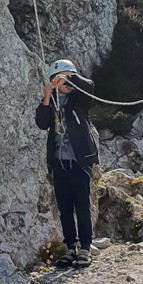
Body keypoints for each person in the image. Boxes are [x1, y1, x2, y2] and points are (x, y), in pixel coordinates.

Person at [35, 59, 99, 269]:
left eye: (69, 76)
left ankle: (85, 248)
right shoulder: (51, 100)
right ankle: (70, 247)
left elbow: (89, 86)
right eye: (60, 77)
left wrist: (71, 78)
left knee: (82, 204)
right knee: (65, 207)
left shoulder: (80, 99)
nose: (66, 81)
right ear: (54, 82)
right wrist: (46, 97)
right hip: (59, 162)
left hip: (80, 160)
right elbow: (41, 123)